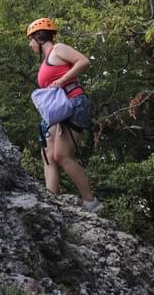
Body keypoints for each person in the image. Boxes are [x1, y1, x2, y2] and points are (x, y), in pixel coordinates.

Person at [27, 18, 103, 213]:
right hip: (59, 110)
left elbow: (83, 61)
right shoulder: (45, 61)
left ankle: (91, 202)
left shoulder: (58, 49)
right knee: (48, 154)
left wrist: (61, 80)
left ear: (39, 37)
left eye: (31, 40)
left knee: (62, 155)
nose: (30, 45)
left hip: (73, 102)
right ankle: (49, 200)